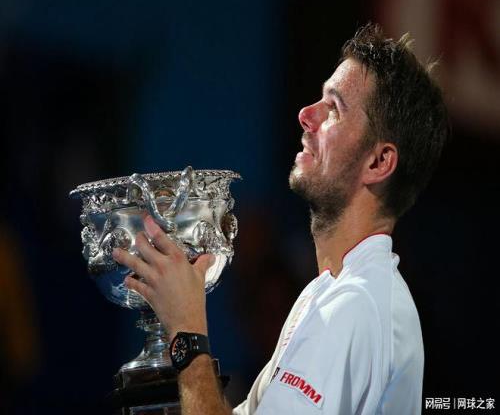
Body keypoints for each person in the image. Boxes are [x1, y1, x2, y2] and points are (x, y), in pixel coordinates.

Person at [112, 23, 448, 414]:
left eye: (334, 109)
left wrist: (187, 333)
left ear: (379, 162)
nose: (306, 114)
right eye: (319, 99)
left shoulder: (356, 305)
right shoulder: (323, 295)